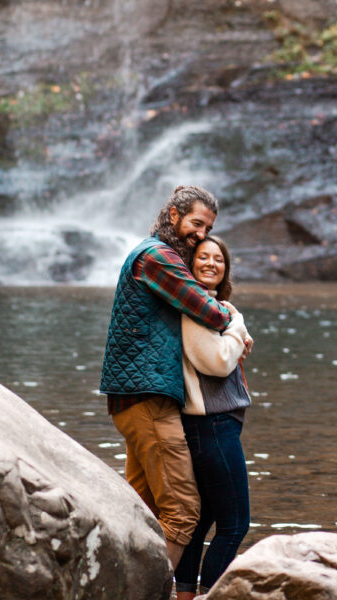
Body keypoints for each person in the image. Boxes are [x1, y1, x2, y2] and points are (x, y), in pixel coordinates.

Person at [99, 185, 231, 571]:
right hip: (149, 399)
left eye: (208, 228)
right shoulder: (158, 257)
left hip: (136, 397)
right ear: (173, 215)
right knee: (183, 511)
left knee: (140, 508)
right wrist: (235, 322)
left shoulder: (150, 252)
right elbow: (208, 310)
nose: (202, 235)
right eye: (196, 223)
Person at [175, 235, 252, 599]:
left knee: (201, 520)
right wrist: (238, 323)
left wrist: (233, 321)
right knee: (235, 524)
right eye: (202, 257)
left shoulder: (212, 307)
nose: (210, 263)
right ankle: (209, 596)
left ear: (226, 268)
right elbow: (218, 362)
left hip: (210, 426)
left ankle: (187, 595)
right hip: (212, 425)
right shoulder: (196, 306)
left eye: (218, 259)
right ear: (189, 265)